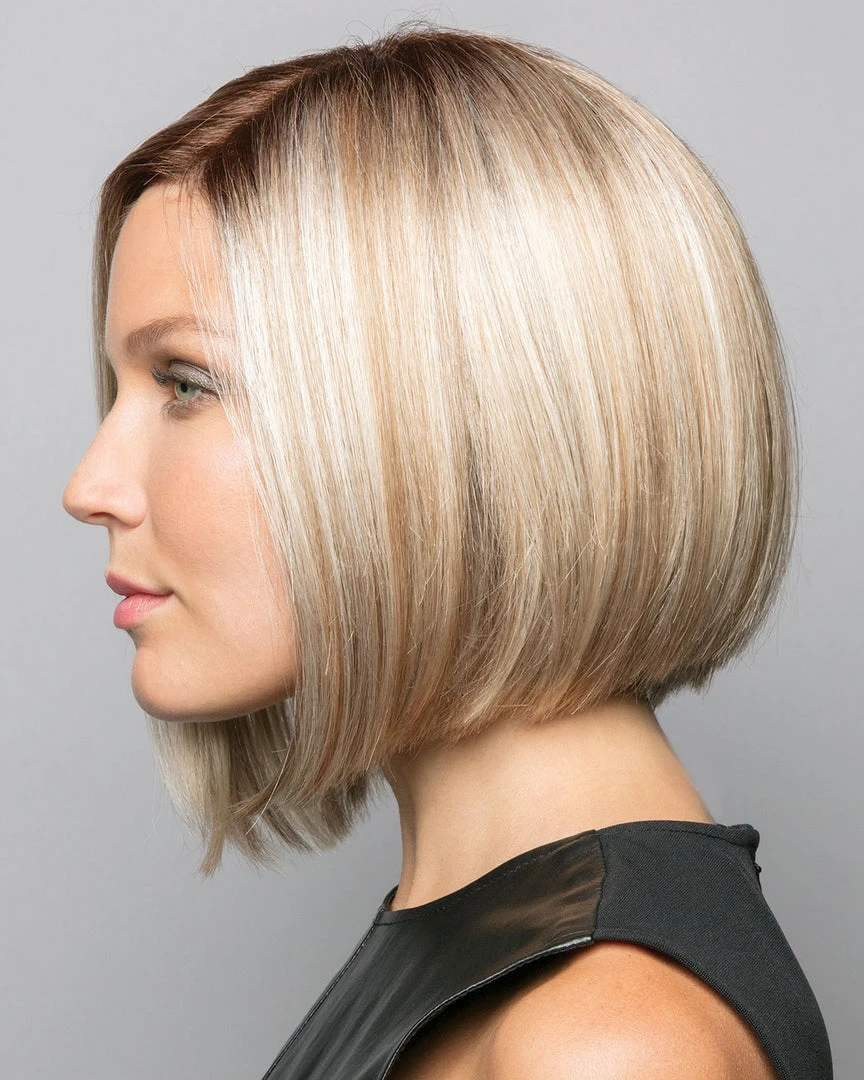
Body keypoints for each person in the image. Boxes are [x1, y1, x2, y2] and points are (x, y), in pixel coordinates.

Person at [61, 21, 833, 1080]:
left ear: (449, 426)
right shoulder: (492, 946)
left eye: (186, 384)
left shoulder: (599, 1042)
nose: (91, 487)